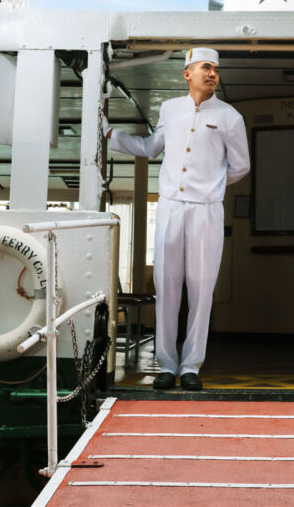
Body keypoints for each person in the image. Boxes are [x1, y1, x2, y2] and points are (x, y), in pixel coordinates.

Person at [102, 47, 250, 391]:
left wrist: (209, 185)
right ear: (187, 74)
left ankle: (191, 367)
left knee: (201, 290)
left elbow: (241, 166)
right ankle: (167, 365)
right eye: (205, 68)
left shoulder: (230, 117)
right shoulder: (170, 109)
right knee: (166, 287)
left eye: (215, 69)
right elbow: (150, 148)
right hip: (170, 207)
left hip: (206, 209)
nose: (212, 73)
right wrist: (111, 135)